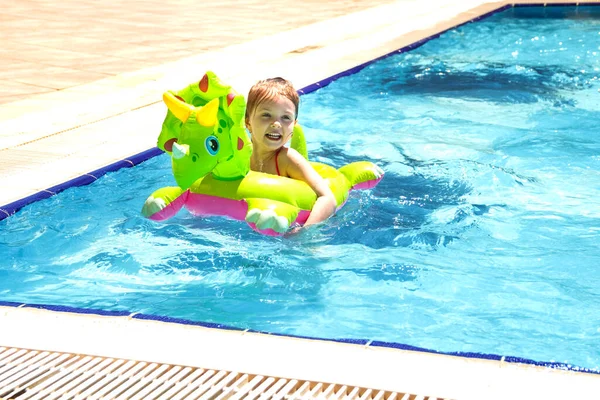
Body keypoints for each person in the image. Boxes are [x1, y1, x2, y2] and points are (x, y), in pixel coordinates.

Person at [245, 77, 337, 229]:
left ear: (294, 126)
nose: (276, 123)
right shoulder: (241, 155)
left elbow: (328, 198)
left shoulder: (288, 160)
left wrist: (304, 232)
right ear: (248, 122)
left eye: (286, 118)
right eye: (266, 115)